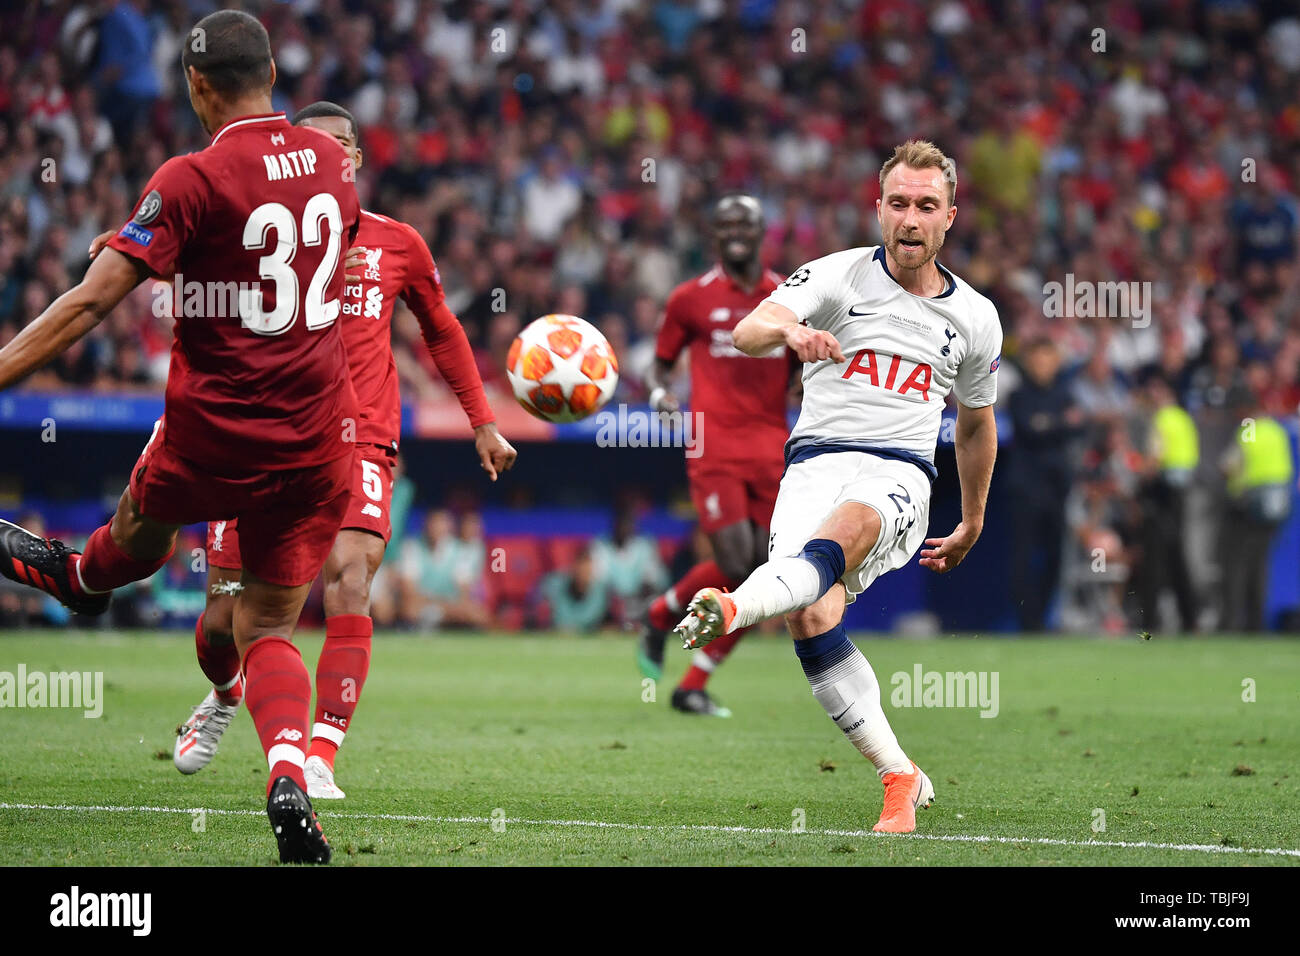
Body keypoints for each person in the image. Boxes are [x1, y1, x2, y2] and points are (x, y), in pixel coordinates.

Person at [0, 10, 364, 864]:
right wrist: (167, 245)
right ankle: (287, 775)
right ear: (273, 73)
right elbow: (283, 248)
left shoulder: (190, 176)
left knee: (136, 539)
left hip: (211, 438)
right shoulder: (334, 169)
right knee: (268, 625)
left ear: (198, 86)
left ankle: (78, 578)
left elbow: (92, 304)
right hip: (314, 445)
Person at [169, 102, 515, 800]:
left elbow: (442, 330)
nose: (334, 155)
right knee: (222, 621)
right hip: (260, 433)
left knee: (350, 575)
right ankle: (229, 691)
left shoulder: (397, 243)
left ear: (354, 160)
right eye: (318, 145)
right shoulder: (254, 234)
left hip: (359, 434)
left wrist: (482, 420)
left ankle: (321, 750)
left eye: (344, 146)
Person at [674, 141, 1002, 834]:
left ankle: (732, 609)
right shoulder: (835, 275)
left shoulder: (974, 317)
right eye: (898, 204)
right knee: (813, 615)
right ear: (878, 208)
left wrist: (972, 518)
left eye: (925, 206)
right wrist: (791, 330)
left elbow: (974, 427)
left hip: (899, 473)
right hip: (814, 463)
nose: (909, 219)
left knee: (841, 534)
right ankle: (899, 775)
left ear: (949, 216)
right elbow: (748, 327)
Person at [637, 194, 792, 717]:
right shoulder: (690, 299)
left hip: (773, 448)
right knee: (736, 566)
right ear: (713, 235)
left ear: (761, 230)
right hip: (715, 445)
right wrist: (660, 395)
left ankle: (672, 637)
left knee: (768, 576)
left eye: (743, 224)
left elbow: (797, 371)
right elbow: (658, 366)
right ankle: (673, 642)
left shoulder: (788, 296)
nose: (734, 233)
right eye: (724, 225)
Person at [1006, 337, 1083, 630]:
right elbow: (1029, 428)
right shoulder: (1019, 395)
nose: (1042, 366)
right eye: (1037, 359)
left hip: (1057, 488)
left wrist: (1049, 424)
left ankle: (1043, 616)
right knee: (1022, 557)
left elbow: (1078, 425)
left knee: (1056, 555)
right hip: (1026, 488)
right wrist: (1060, 424)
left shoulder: (1066, 395)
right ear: (1028, 363)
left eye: (1047, 359)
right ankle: (1028, 621)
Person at [1220, 389, 1293, 631]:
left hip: (1249, 505)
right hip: (1277, 505)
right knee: (1260, 564)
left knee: (1238, 565)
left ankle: (1234, 621)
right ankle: (1257, 622)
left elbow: (1232, 465)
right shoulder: (1276, 430)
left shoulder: (1249, 430)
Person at [1132, 371, 1199, 632]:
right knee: (1178, 555)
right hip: (1181, 494)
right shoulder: (1183, 418)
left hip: (1161, 493)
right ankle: (1189, 618)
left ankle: (1150, 619)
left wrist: (1139, 479)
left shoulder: (1160, 420)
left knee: (1154, 557)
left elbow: (1154, 459)